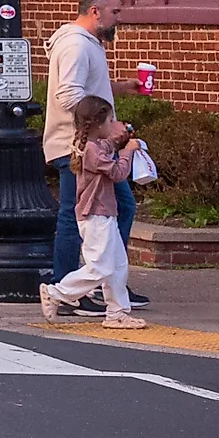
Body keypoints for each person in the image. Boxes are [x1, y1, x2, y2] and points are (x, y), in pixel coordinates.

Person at [45, 0, 144, 310]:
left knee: (120, 208)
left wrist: (120, 88)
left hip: (91, 145)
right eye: (115, 12)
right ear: (95, 11)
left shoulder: (87, 44)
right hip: (75, 147)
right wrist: (106, 124)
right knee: (75, 217)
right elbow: (70, 95)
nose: (119, 19)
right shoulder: (75, 45)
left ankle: (103, 283)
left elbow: (88, 89)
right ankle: (70, 289)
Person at [40, 96, 146, 330]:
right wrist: (127, 152)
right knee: (101, 267)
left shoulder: (93, 145)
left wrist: (122, 136)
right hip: (95, 215)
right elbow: (118, 172)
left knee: (118, 264)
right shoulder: (91, 151)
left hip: (105, 213)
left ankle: (117, 312)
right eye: (110, 120)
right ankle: (57, 292)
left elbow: (108, 146)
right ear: (99, 124)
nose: (112, 123)